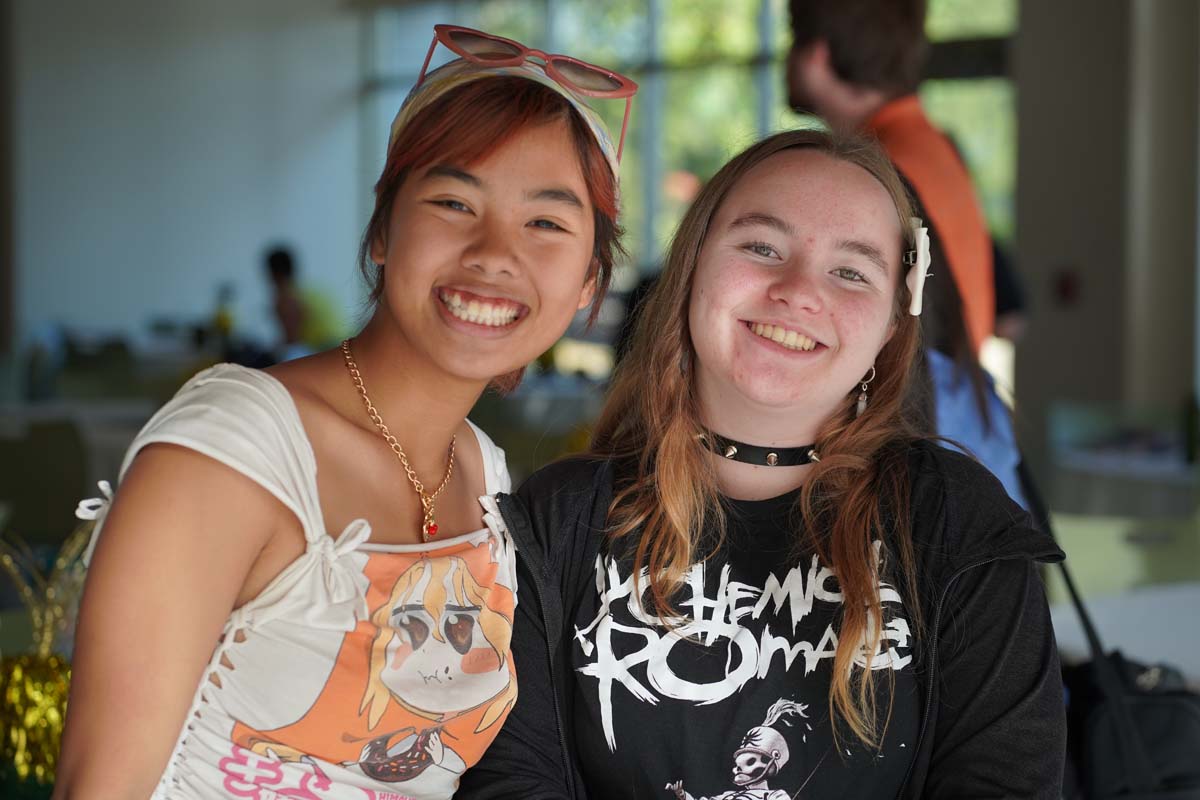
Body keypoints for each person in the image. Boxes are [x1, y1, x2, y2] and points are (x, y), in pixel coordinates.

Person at [55, 24, 634, 800]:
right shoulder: (239, 451)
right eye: (455, 201)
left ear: (590, 284)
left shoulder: (482, 472)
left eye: (546, 223)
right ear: (383, 232)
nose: (495, 252)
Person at [458, 130, 1066, 799]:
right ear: (691, 268)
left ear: (893, 323)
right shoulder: (558, 520)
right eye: (762, 247)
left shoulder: (955, 524)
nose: (799, 290)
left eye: (851, 271)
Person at [785, 0, 1029, 508]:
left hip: (911, 443)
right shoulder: (932, 147)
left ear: (814, 56)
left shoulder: (875, 175)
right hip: (953, 425)